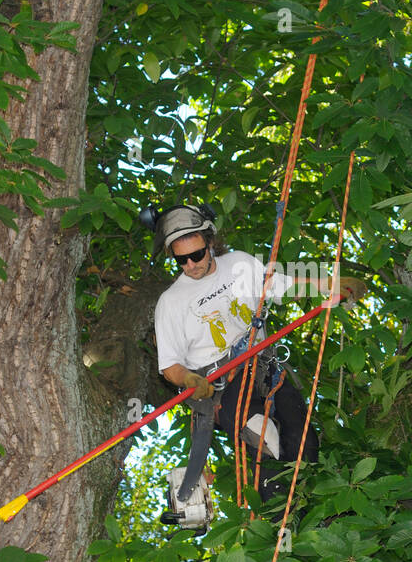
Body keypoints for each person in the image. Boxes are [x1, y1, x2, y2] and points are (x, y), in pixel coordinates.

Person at [147, 203, 364, 527]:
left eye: (197, 254)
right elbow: (170, 367)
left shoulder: (238, 265)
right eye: (182, 259)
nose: (191, 264)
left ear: (210, 242)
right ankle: (284, 525)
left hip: (266, 368)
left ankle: (317, 517)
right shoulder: (171, 302)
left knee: (304, 442)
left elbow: (287, 285)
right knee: (267, 439)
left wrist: (332, 284)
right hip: (222, 386)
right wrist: (191, 381)